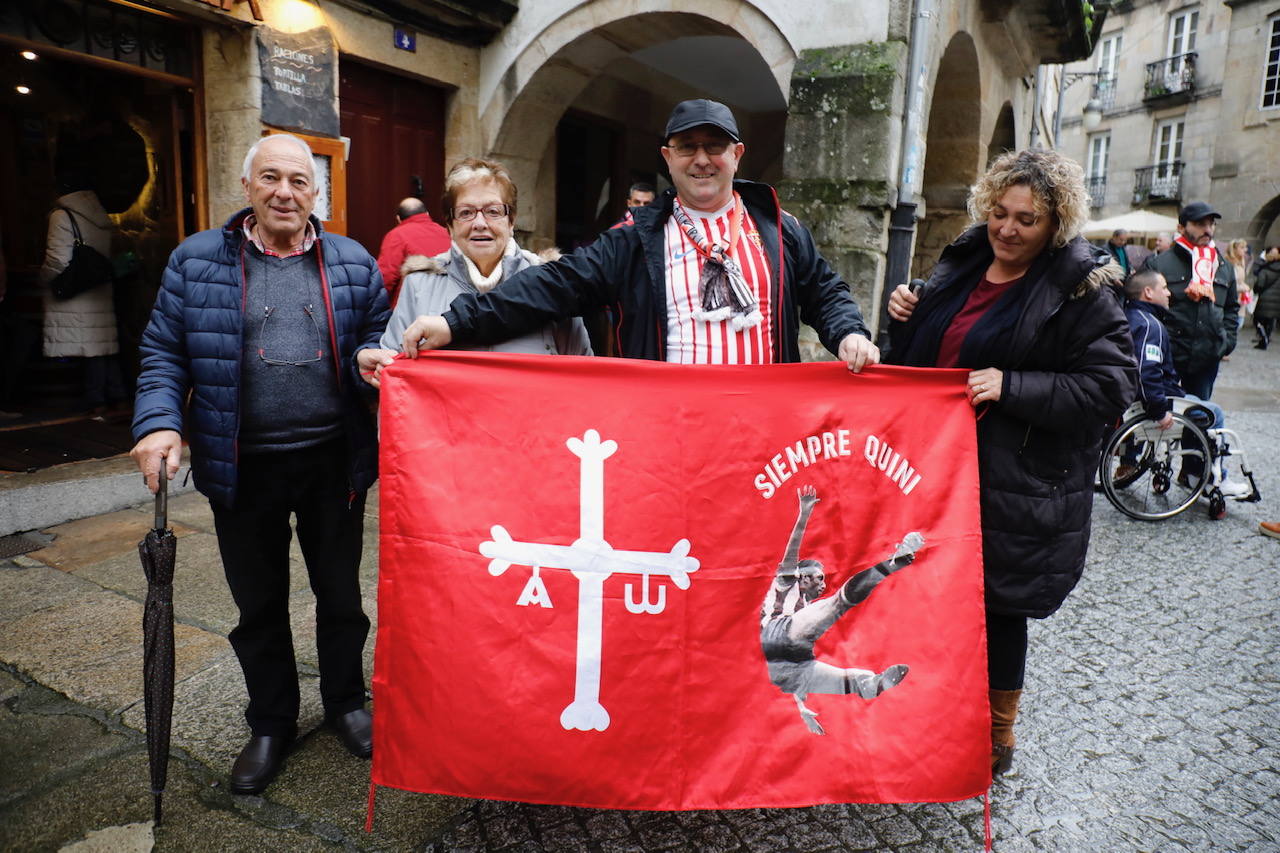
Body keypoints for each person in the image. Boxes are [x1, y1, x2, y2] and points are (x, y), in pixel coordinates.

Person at [129, 134, 395, 796]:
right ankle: (271, 721)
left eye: (299, 181)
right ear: (247, 187)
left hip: (334, 461)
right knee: (259, 604)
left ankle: (345, 702)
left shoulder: (355, 262)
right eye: (270, 178)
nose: (285, 191)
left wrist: (371, 365)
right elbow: (164, 350)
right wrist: (160, 422)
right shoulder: (195, 262)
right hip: (241, 465)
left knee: (341, 596)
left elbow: (376, 343)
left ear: (317, 194)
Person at [884, 148, 1137, 775]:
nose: (1007, 229)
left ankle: (997, 733)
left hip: (1015, 481)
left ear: (1055, 225)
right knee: (925, 594)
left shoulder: (1079, 290)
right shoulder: (961, 264)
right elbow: (922, 362)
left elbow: (1113, 387)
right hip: (933, 473)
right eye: (999, 212)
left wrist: (1013, 385)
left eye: (1027, 219)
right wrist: (904, 319)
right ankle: (927, 705)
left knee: (997, 607)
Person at [386, 99, 878, 373]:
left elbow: (824, 292)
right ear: (667, 157)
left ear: (738, 154)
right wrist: (457, 322)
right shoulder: (634, 239)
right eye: (687, 147)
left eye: (715, 146)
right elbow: (551, 286)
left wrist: (849, 333)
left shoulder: (780, 229)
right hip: (669, 426)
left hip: (766, 421)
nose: (702, 159)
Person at [380, 158, 591, 356]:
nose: (480, 223)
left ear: (511, 221)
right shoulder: (420, 284)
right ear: (450, 226)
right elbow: (395, 370)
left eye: (493, 211)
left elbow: (581, 375)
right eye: (466, 213)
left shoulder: (552, 283)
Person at [760, 486, 921, 735]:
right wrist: (803, 515)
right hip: (778, 632)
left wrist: (801, 709)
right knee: (838, 603)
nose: (822, 584)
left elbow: (784, 666)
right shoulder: (786, 585)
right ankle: (891, 563)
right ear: (802, 578)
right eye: (818, 578)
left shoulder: (805, 610)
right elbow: (791, 555)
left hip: (785, 668)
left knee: (853, 681)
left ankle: (873, 684)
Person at [1121, 269, 1245, 497]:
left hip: (1140, 399)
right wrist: (1159, 411)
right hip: (1156, 403)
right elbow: (1146, 373)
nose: (1169, 293)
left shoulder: (1131, 316)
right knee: (1213, 412)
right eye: (1164, 288)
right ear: (1148, 292)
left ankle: (1193, 472)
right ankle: (1205, 476)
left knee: (1197, 404)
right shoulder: (1150, 326)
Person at [39, 169, 127, 417]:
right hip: (98, 286)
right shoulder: (99, 214)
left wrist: (43, 279)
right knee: (103, 344)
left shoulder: (61, 215)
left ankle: (95, 400)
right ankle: (118, 396)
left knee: (91, 347)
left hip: (75, 288)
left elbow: (57, 259)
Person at [1148, 201, 1239, 399]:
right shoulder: (1159, 263)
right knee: (1161, 419)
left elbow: (1232, 308)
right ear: (1181, 227)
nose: (1207, 229)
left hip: (1207, 357)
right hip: (1168, 355)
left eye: (1211, 224)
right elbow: (1144, 309)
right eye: (1199, 224)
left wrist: (1226, 341)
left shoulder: (1223, 266)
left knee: (1199, 417)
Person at [376, 197, 451, 307]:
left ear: (398, 219)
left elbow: (386, 278)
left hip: (412, 305)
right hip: (446, 302)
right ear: (427, 214)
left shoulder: (396, 235)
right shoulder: (446, 232)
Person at [1250, 245, 1280, 350]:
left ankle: (1263, 339)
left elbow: (1260, 284)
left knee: (1258, 320)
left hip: (1265, 299)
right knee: (1270, 321)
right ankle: (1266, 337)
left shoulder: (1266, 268)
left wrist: (1255, 290)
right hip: (1277, 300)